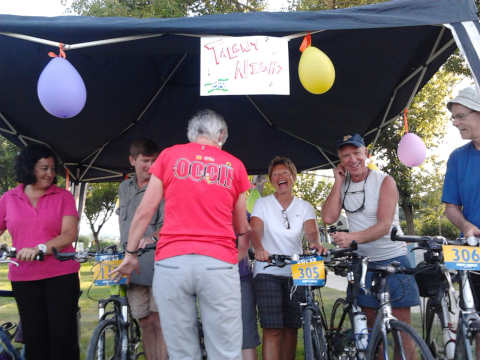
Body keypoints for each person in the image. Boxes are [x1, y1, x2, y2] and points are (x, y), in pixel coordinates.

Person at [112, 109, 251, 360]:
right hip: (218, 263)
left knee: (181, 353)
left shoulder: (169, 156)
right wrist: (238, 250)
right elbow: (240, 223)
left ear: (192, 133)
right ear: (220, 134)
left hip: (172, 263)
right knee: (226, 351)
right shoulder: (235, 165)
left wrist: (130, 253)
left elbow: (144, 212)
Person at [321, 133, 419, 358]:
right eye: (345, 155)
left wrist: (352, 238)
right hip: (364, 264)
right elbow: (327, 217)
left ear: (366, 153)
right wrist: (337, 182)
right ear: (340, 160)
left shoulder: (385, 180)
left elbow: (385, 225)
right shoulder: (343, 184)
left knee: (402, 337)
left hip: (394, 259)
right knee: (373, 337)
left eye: (356, 153)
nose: (352, 159)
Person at [0, 144, 80, 360]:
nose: (50, 174)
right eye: (44, 168)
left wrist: (40, 249)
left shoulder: (63, 197)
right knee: (35, 341)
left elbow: (68, 234)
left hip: (61, 276)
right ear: (29, 168)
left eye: (53, 168)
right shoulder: (8, 199)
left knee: (63, 340)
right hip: (24, 278)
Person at [250, 156, 323, 360]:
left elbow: (311, 232)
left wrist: (315, 243)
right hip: (268, 269)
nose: (280, 177)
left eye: (285, 173)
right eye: (275, 174)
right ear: (271, 180)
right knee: (272, 329)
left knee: (292, 328)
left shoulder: (304, 206)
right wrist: (259, 248)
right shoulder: (262, 204)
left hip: (297, 270)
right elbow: (255, 229)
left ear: (293, 177)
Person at [117, 138, 167, 360]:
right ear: (132, 160)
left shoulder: (162, 187)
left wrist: (150, 238)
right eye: (145, 161)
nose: (150, 166)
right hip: (131, 267)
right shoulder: (123, 188)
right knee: (144, 321)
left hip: (158, 264)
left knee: (160, 321)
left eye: (154, 161)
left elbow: (168, 224)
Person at [442, 86, 480, 359]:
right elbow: (450, 208)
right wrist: (466, 226)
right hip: (475, 251)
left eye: (460, 116)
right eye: (453, 117)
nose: (455, 123)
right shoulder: (457, 158)